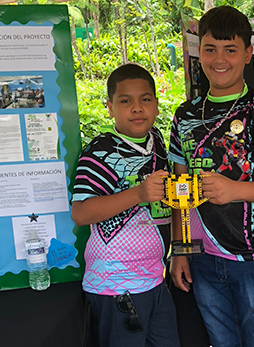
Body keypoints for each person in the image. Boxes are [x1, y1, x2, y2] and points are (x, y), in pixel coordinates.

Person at [169, 5, 254, 347]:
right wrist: (180, 250)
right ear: (199, 53)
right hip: (202, 258)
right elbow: (179, 187)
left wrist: (235, 190)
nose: (219, 59)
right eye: (210, 49)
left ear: (248, 54)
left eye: (230, 49)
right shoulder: (183, 116)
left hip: (253, 259)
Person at [71, 63, 180, 347]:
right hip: (116, 285)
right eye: (125, 101)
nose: (137, 108)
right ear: (109, 108)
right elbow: (81, 213)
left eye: (145, 99)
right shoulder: (99, 152)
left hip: (154, 279)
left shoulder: (156, 142)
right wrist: (138, 194)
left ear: (156, 105)